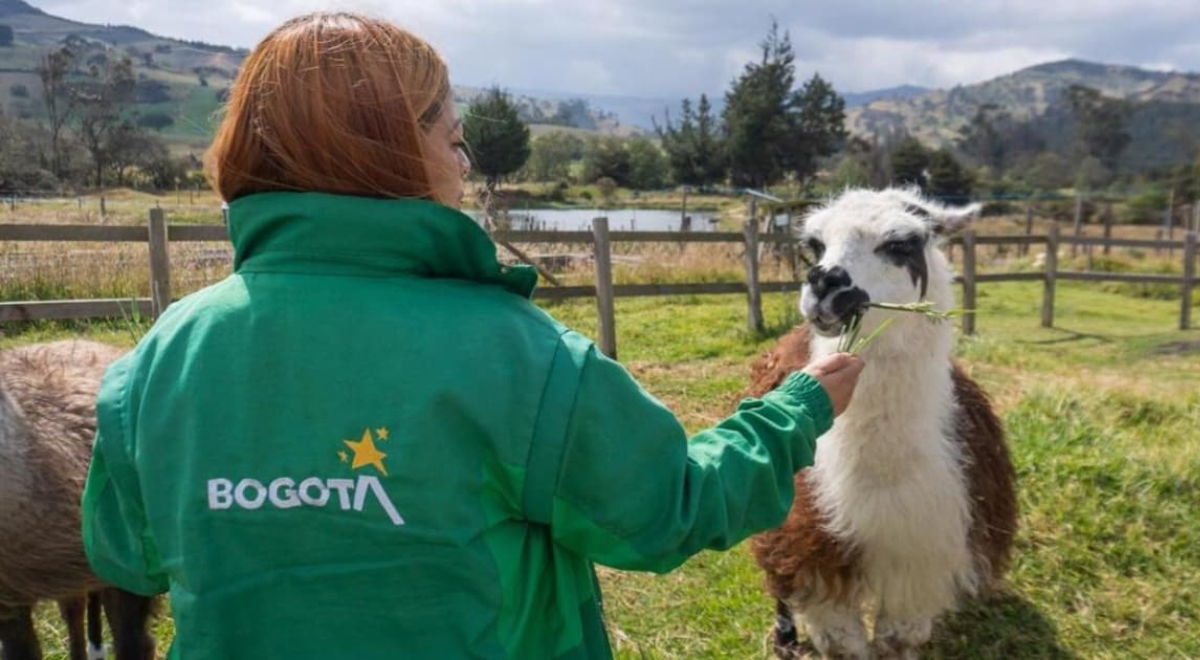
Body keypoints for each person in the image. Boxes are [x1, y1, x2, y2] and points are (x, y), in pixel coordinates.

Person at [81, 12, 864, 659]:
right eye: (452, 139)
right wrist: (790, 414)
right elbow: (664, 508)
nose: (461, 165)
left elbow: (129, 554)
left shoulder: (161, 358)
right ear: (388, 152)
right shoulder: (517, 353)